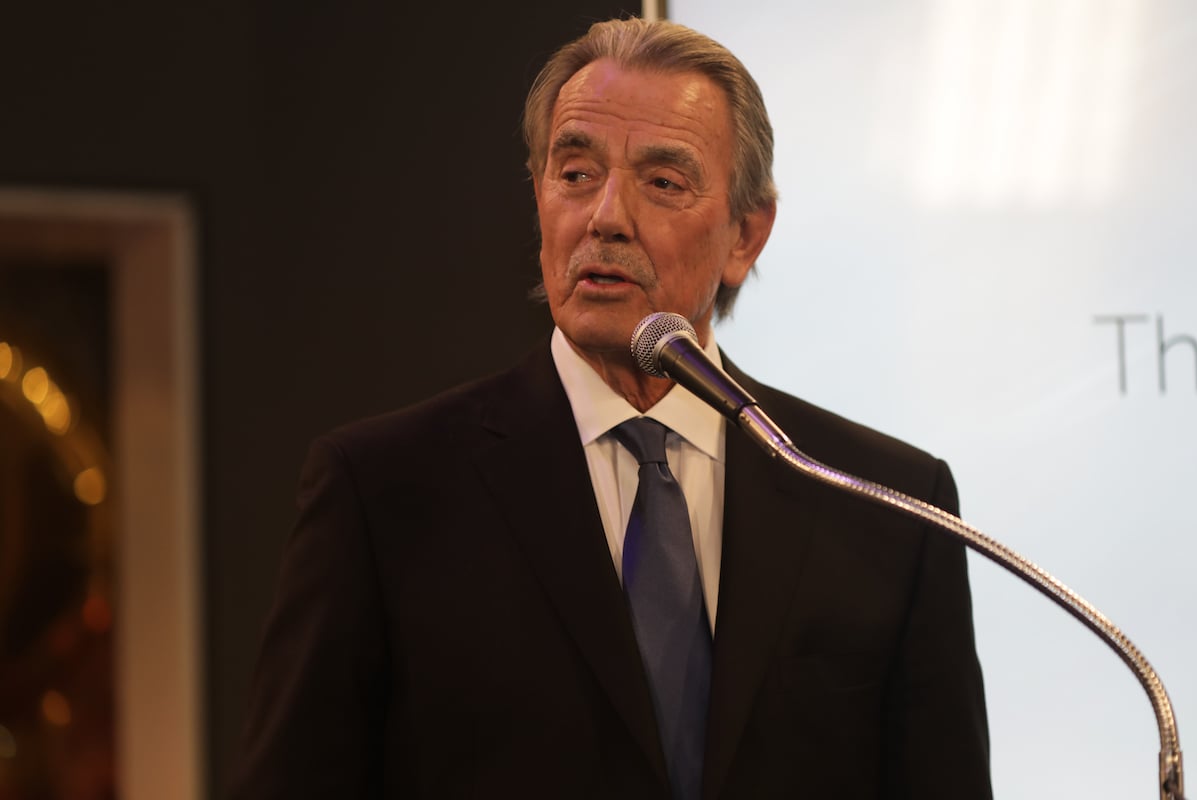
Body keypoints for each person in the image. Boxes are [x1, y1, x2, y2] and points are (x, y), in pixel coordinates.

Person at [231, 17, 992, 799]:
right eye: (575, 173)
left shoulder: (886, 506)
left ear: (746, 234)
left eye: (662, 182)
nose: (605, 216)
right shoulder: (384, 492)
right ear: (539, 198)